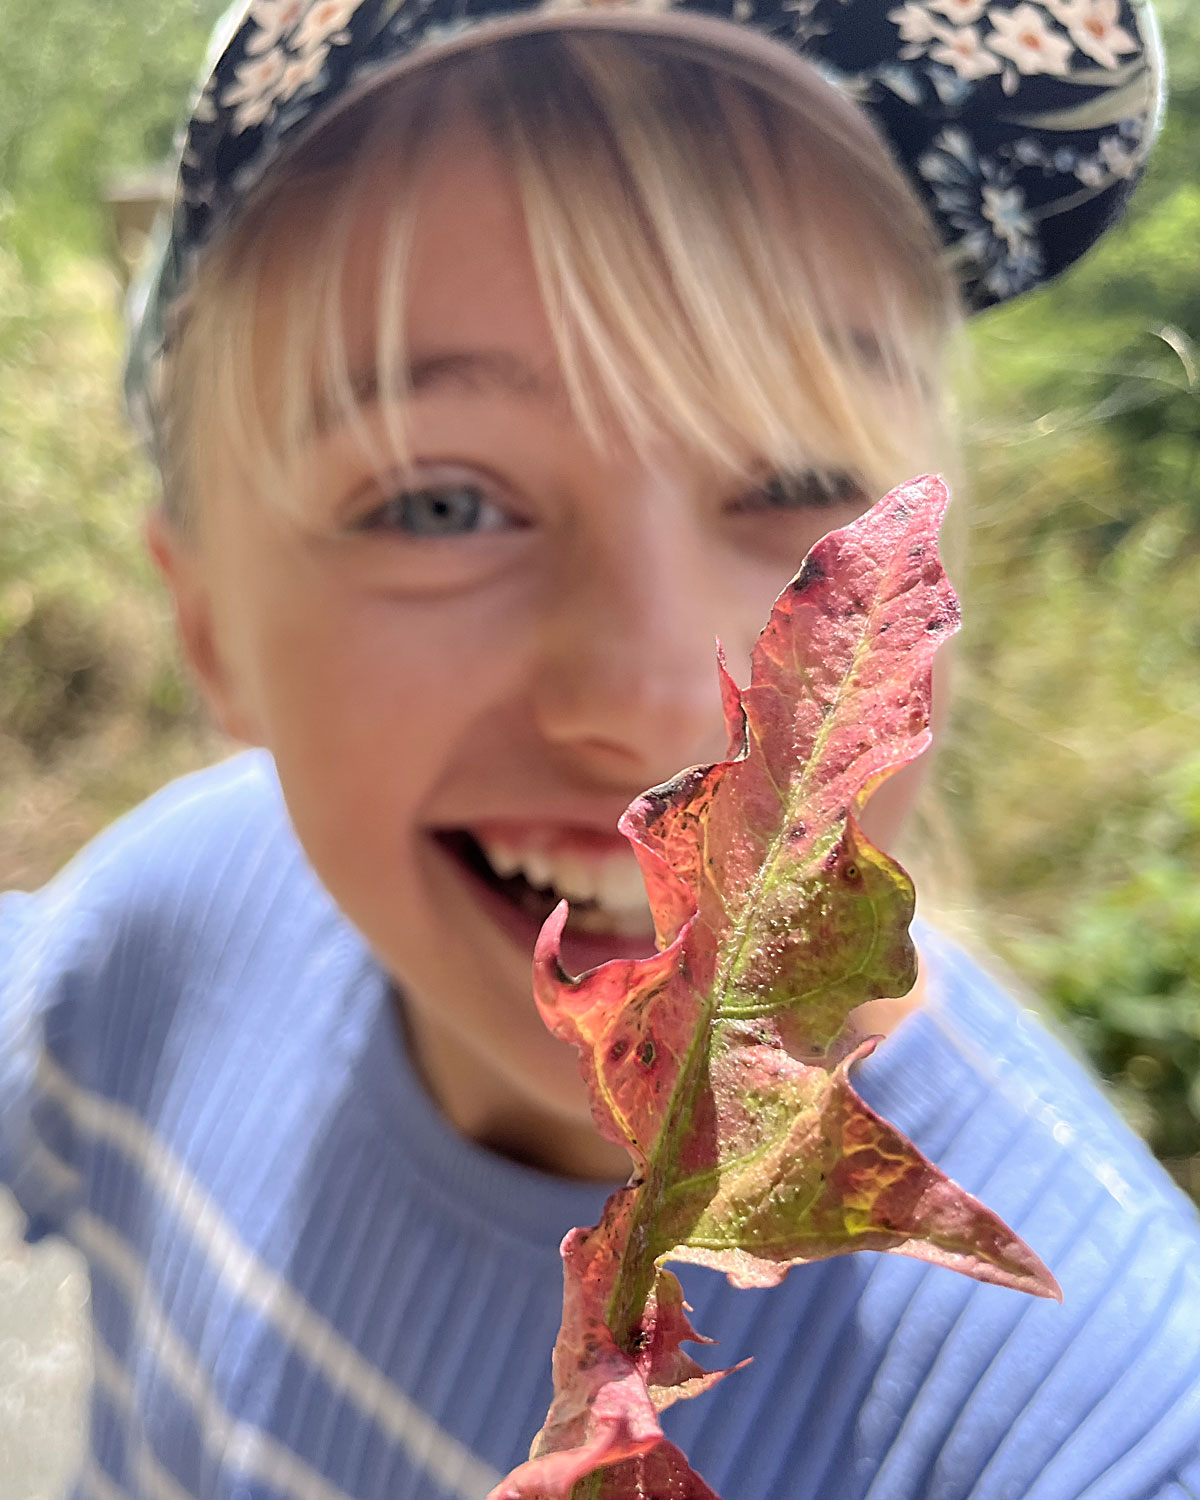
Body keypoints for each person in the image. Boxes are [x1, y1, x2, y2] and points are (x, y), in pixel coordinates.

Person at [3, 1, 1198, 1497]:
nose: (645, 705)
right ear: (211, 631)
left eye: (801, 487)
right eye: (442, 503)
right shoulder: (176, 914)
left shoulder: (1101, 1430)